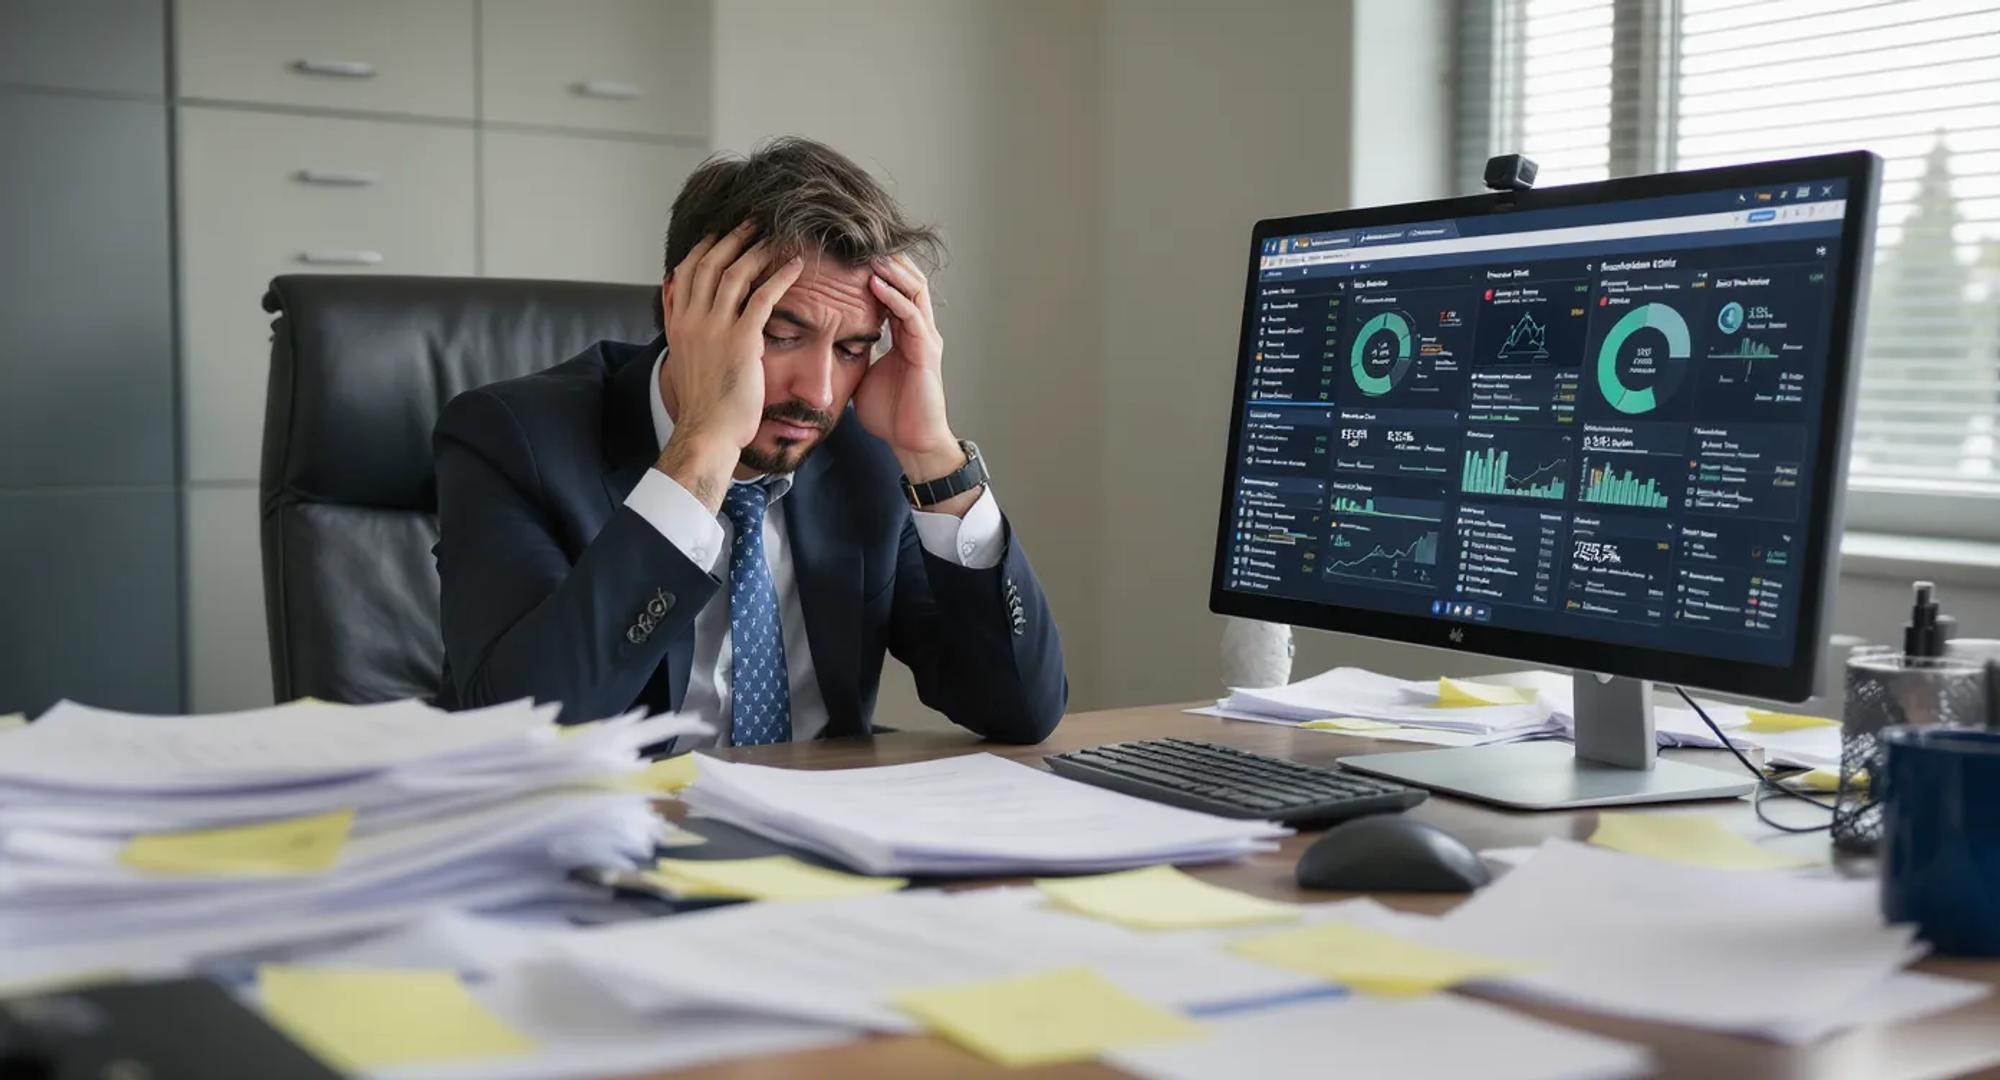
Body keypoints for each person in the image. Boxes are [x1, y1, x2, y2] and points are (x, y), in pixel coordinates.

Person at [431, 137, 1065, 746]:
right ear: (683, 306)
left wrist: (933, 457)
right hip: (620, 833)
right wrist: (701, 449)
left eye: (851, 349)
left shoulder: (866, 452)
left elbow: (1021, 709)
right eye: (781, 335)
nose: (818, 394)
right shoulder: (512, 438)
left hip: (820, 831)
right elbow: (521, 730)